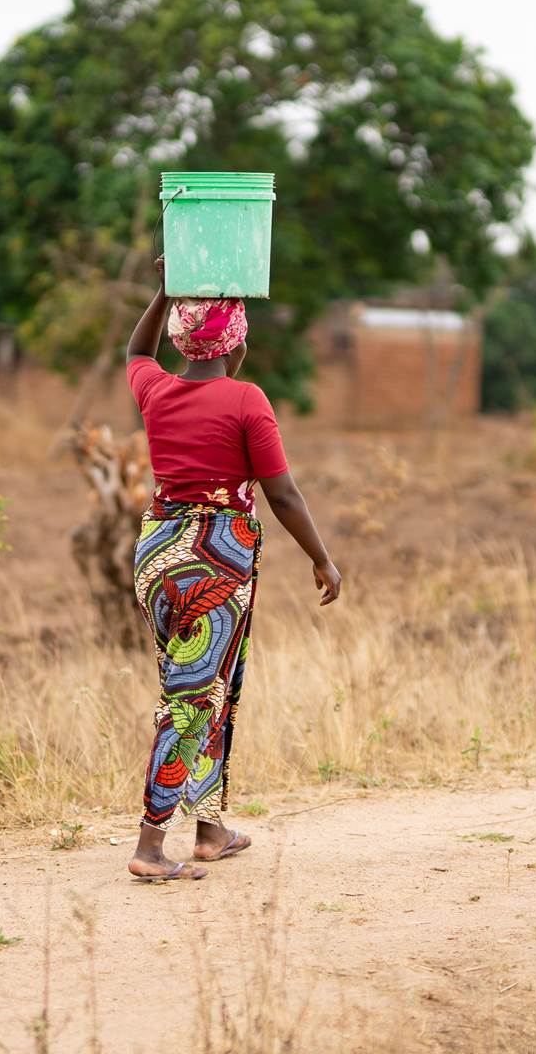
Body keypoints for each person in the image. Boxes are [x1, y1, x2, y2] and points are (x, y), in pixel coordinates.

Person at [122, 256, 342, 881]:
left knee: (212, 687)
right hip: (216, 560)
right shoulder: (246, 398)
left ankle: (212, 829)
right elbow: (284, 495)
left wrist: (163, 294)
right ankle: (149, 845)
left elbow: (135, 352)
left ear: (183, 339)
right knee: (191, 697)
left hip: (159, 551)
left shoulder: (156, 389)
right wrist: (322, 559)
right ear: (236, 342)